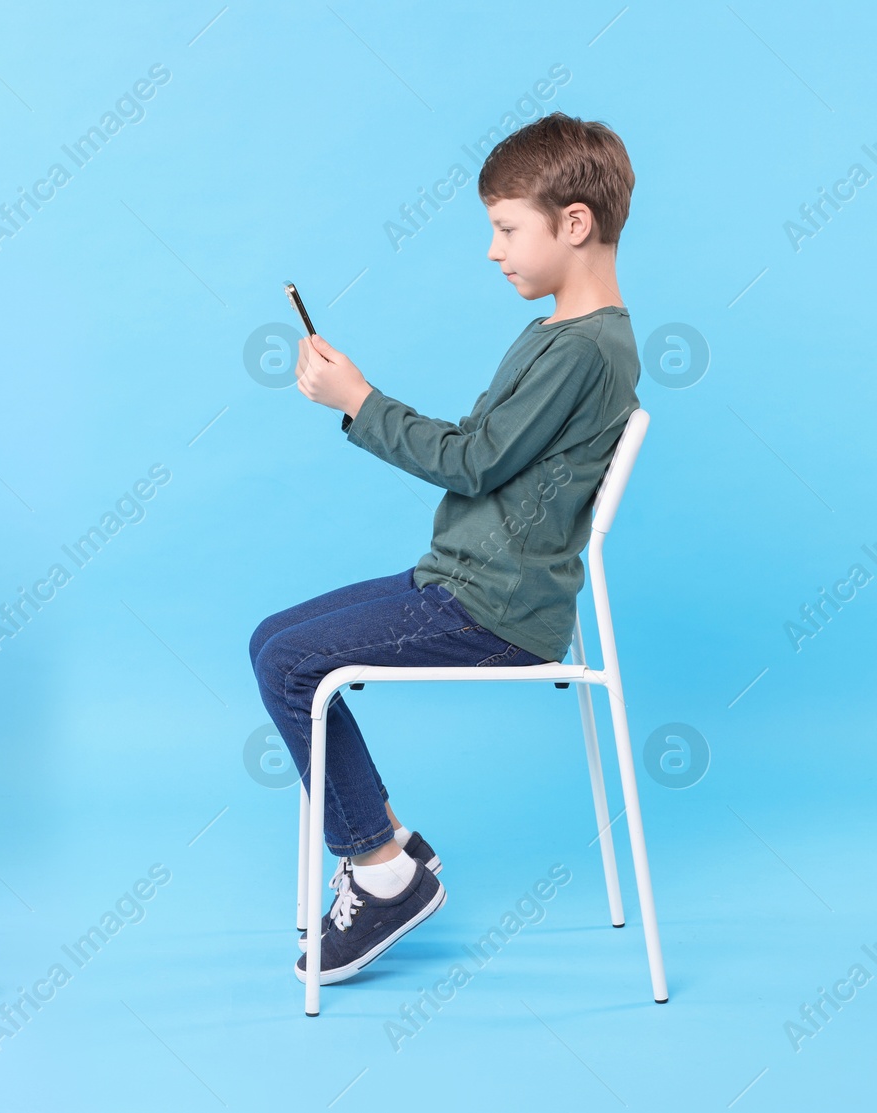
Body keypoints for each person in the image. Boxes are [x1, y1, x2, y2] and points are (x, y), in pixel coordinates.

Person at [248, 112, 641, 986]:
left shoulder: (586, 350)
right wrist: (360, 399)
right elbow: (484, 445)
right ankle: (386, 838)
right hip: (462, 581)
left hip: (493, 608)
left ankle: (383, 871)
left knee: (287, 664)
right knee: (273, 639)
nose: (494, 250)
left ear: (573, 224)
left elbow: (470, 461)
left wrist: (357, 399)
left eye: (507, 228)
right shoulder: (558, 338)